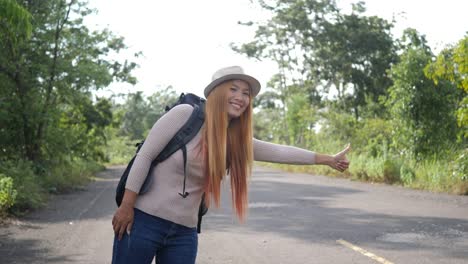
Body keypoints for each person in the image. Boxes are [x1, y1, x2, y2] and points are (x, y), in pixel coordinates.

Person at [111, 65, 350, 264]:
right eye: (233, 89)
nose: (241, 97)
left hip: (184, 232)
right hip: (143, 220)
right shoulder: (185, 114)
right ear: (215, 93)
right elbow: (145, 155)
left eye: (246, 93)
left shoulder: (235, 140)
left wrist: (328, 159)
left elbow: (280, 151)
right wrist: (126, 206)